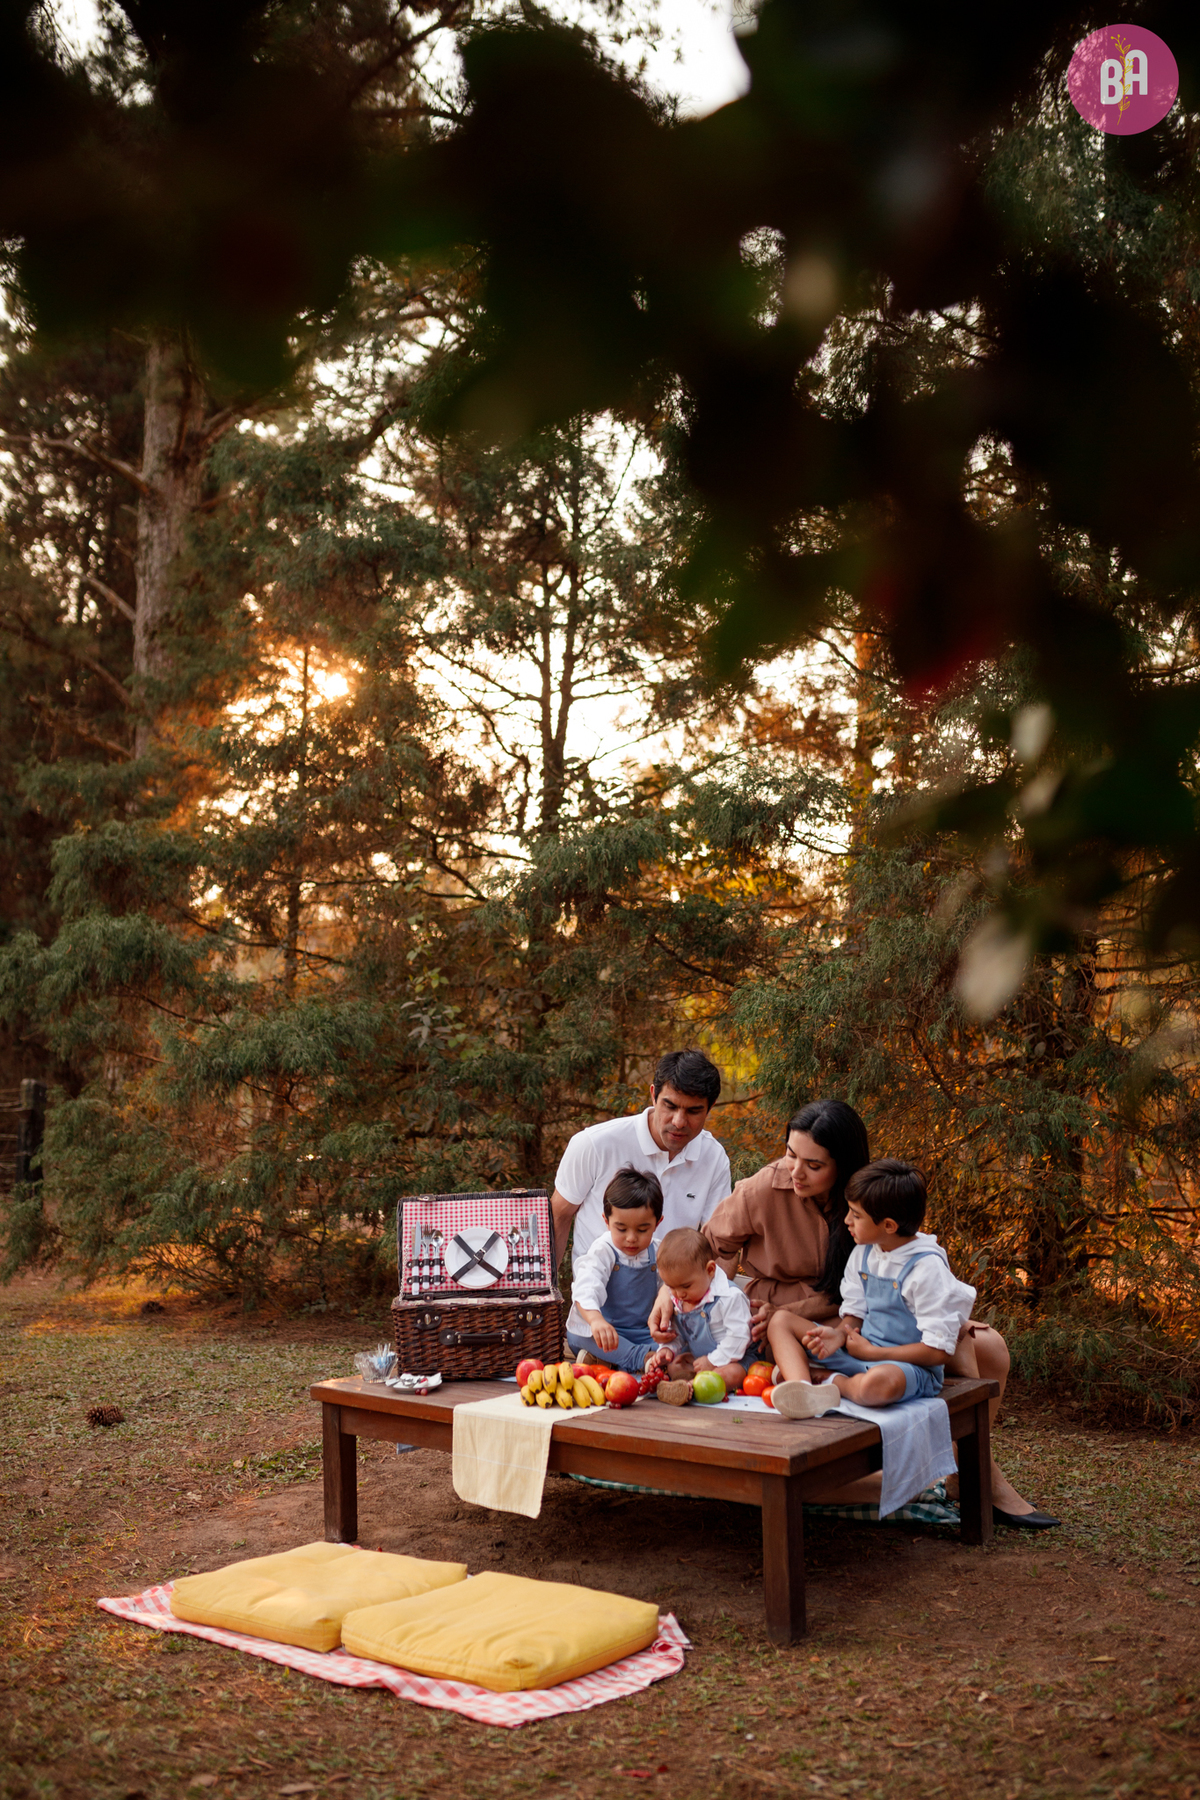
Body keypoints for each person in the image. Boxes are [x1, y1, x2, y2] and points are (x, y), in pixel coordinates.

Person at [649, 1096, 1059, 1528]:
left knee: (989, 1348)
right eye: (791, 1154)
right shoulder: (764, 1188)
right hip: (782, 1314)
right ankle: (976, 1478)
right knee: (946, 1352)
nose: (795, 1170)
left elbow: (894, 1267)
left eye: (813, 1164)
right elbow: (710, 1249)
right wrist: (691, 1298)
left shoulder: (865, 1198)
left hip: (853, 1312)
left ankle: (967, 1468)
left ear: (842, 1165)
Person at [769, 1159, 975, 1418]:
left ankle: (831, 1382)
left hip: (905, 1369)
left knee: (876, 1387)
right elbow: (855, 1315)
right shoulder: (864, 1253)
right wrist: (839, 1335)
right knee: (780, 1321)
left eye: (856, 1215)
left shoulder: (926, 1269)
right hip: (860, 1353)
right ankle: (802, 1388)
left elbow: (938, 1351)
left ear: (888, 1225)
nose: (847, 1221)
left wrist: (873, 1352)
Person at [550, 1049, 730, 1269]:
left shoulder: (713, 1157)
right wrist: (548, 1295)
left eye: (693, 1111)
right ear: (653, 1095)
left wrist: (718, 1300)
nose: (679, 1121)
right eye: (670, 1106)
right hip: (597, 1297)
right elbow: (558, 1216)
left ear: (710, 1108)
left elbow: (721, 1243)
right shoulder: (594, 1144)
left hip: (675, 1299)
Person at [564, 1168, 665, 1375]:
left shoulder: (661, 1252)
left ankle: (608, 1361)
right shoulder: (604, 1250)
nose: (631, 1238)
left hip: (645, 1333)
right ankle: (641, 1359)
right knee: (577, 1336)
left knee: (677, 1343)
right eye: (621, 1228)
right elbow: (585, 1289)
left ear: (658, 1223)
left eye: (642, 1229)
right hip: (608, 1333)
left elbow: (674, 1290)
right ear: (606, 1221)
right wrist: (596, 1320)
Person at [649, 1228, 752, 1406]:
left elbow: (739, 1337)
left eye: (685, 1286)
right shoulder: (680, 1298)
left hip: (734, 1358)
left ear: (710, 1270)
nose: (678, 1294)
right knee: (675, 1364)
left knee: (732, 1373)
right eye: (671, 1287)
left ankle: (690, 1388)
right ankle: (681, 1384)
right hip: (700, 1360)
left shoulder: (729, 1297)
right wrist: (668, 1349)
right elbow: (679, 1333)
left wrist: (713, 1361)